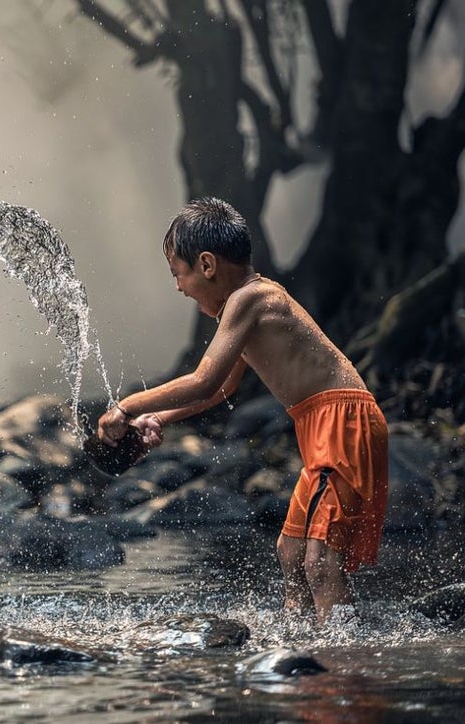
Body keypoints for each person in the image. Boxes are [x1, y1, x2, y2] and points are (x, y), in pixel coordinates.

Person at [97, 198, 388, 624]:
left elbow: (203, 380)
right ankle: (301, 644)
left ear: (208, 265)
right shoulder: (247, 305)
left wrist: (125, 407)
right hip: (325, 425)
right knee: (291, 552)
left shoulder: (251, 298)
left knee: (321, 560)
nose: (179, 287)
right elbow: (220, 391)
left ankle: (342, 665)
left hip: (342, 424)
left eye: (178, 273)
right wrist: (159, 418)